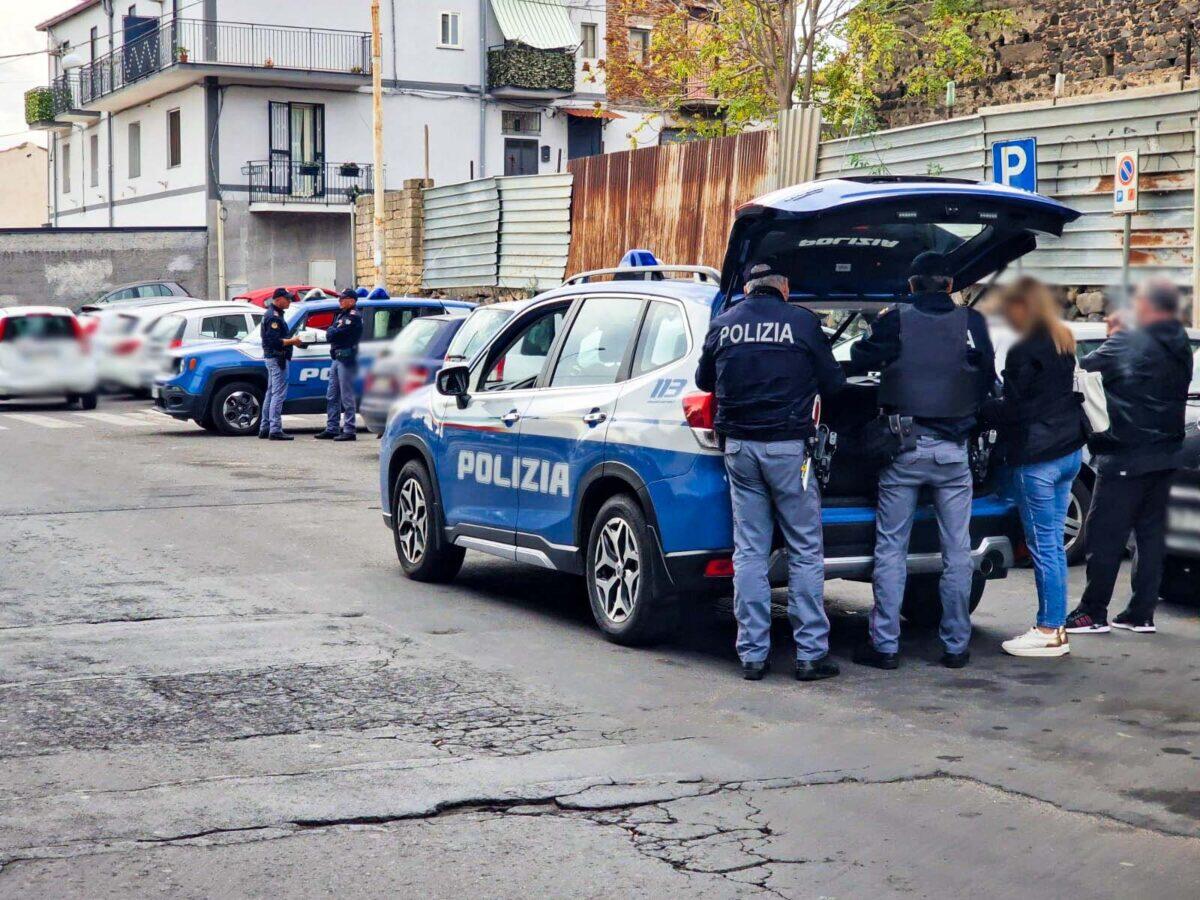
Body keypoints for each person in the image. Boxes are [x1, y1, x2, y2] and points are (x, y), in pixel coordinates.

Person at [695, 262, 846, 682]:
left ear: (747, 289)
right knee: (804, 549)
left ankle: (752, 655)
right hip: (788, 451)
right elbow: (835, 384)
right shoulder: (802, 323)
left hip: (740, 449)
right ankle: (810, 655)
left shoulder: (724, 324)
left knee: (749, 551)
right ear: (785, 288)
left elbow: (704, 381)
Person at [846, 251, 995, 670]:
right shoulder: (972, 322)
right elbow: (987, 376)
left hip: (904, 449)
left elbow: (859, 358)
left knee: (891, 549)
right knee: (957, 551)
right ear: (949, 285)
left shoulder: (896, 320)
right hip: (954, 453)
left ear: (912, 285)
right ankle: (956, 646)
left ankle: (885, 646)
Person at [1065, 280, 1193, 635]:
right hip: (1167, 454)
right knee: (1150, 537)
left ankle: (1092, 612)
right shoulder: (1180, 343)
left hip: (1126, 454)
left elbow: (1083, 369)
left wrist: (1115, 334)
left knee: (1104, 534)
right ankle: (1141, 613)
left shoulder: (1131, 340)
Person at [981, 278, 1088, 658]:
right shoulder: (1062, 340)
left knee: (1043, 546)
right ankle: (1055, 627)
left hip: (1038, 456)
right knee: (1052, 544)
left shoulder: (1025, 347)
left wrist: (981, 409)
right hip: (1068, 452)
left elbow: (1017, 408)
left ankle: (1048, 629)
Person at [315, 289, 364, 442]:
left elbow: (334, 334)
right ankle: (332, 428)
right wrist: (332, 331)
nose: (340, 301)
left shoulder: (353, 316)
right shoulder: (342, 315)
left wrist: (332, 331)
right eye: (340, 299)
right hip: (337, 358)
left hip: (346, 359)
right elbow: (331, 333)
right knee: (332, 395)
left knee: (346, 396)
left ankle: (349, 430)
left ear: (352, 300)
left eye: (343, 299)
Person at [259, 288, 304, 441]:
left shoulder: (274, 314)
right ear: (278, 299)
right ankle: (275, 429)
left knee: (271, 393)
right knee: (278, 394)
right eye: (287, 298)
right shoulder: (274, 317)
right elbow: (275, 342)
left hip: (273, 358)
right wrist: (293, 341)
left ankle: (265, 427)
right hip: (277, 358)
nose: (290, 301)